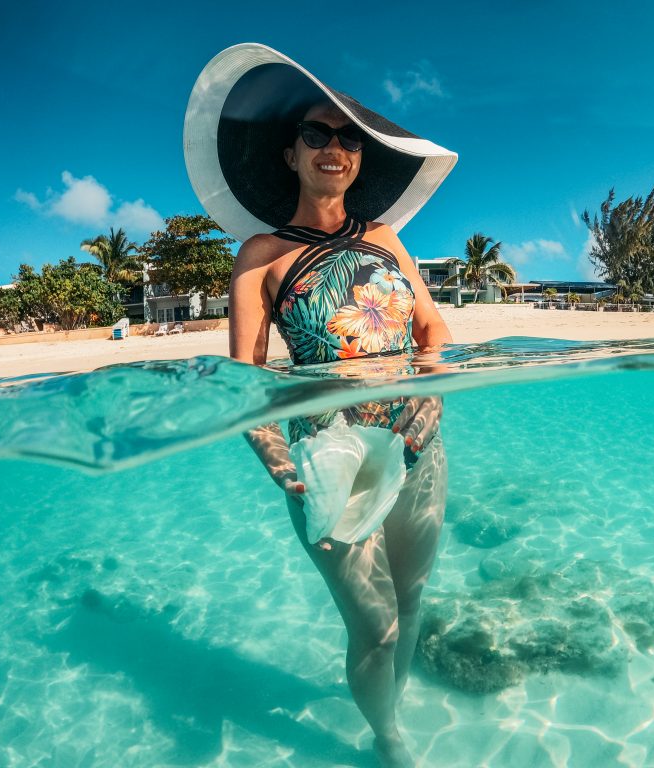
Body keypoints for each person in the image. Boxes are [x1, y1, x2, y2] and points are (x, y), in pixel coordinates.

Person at [184, 44, 459, 767]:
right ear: (290, 155)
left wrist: (428, 397)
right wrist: (277, 463)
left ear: (362, 159)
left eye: (348, 139)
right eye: (316, 134)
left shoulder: (388, 240)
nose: (334, 148)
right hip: (327, 461)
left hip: (418, 443)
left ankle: (390, 700)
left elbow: (431, 327)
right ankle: (389, 736)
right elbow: (244, 374)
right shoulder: (261, 256)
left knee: (412, 598)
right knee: (375, 625)